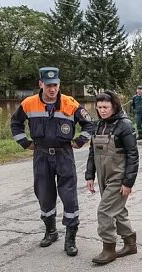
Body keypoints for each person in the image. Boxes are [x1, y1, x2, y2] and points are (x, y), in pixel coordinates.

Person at [10, 67, 94, 257]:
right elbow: (15, 123)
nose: (52, 89)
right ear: (41, 84)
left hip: (64, 154)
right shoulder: (29, 103)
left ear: (59, 84)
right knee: (44, 194)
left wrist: (80, 141)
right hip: (40, 154)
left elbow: (89, 123)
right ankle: (51, 231)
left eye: (55, 85)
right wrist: (24, 142)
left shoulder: (70, 103)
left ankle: (70, 238)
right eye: (48, 85)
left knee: (69, 196)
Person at [86, 90, 139, 265]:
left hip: (118, 175)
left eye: (105, 107)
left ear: (114, 106)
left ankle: (108, 248)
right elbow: (91, 152)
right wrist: (89, 176)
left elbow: (133, 155)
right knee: (117, 209)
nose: (102, 110)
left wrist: (128, 182)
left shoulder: (125, 125)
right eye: (99, 107)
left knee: (105, 210)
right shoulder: (98, 125)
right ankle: (130, 243)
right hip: (102, 175)